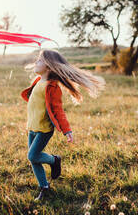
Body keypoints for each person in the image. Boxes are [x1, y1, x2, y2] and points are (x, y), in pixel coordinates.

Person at [20, 49, 105, 201]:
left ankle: (54, 160)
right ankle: (44, 188)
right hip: (32, 127)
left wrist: (67, 130)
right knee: (34, 159)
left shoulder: (52, 87)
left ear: (49, 66)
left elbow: (58, 111)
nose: (36, 62)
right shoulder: (38, 81)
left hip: (43, 130)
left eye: (39, 60)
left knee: (32, 155)